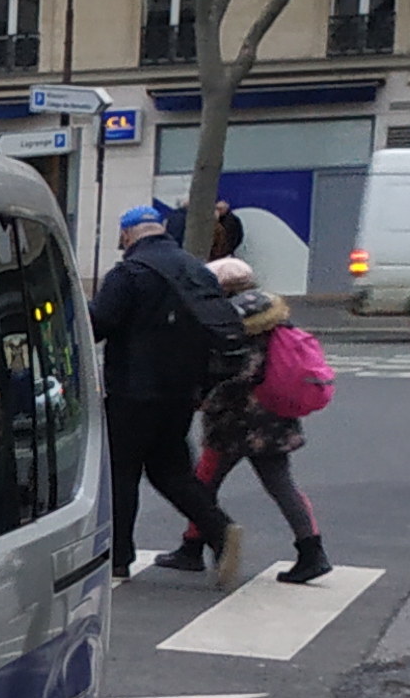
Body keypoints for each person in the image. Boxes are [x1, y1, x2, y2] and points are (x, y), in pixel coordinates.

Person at [86, 200, 239, 578]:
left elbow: (99, 323)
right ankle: (221, 530)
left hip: (133, 391)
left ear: (127, 234)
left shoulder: (130, 273)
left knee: (121, 472)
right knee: (171, 472)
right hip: (181, 392)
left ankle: (118, 557)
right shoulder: (195, 270)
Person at [176, 255, 337, 586]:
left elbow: (234, 375)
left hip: (235, 421)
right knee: (281, 485)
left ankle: (192, 547)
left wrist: (204, 400)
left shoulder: (231, 320)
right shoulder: (270, 315)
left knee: (202, 484)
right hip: (274, 417)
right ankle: (312, 550)